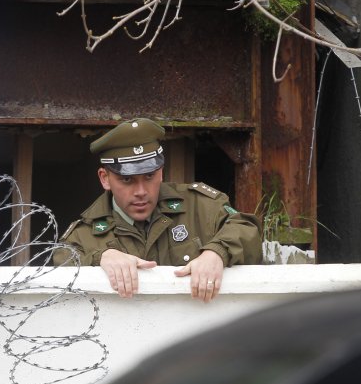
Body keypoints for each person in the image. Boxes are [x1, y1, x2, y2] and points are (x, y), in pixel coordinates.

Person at [52, 118, 262, 302]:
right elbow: (62, 259)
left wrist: (217, 253)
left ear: (161, 172)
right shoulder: (85, 233)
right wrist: (101, 257)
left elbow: (246, 228)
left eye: (149, 176)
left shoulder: (198, 205)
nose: (141, 191)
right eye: (127, 180)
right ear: (105, 178)